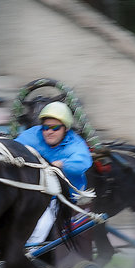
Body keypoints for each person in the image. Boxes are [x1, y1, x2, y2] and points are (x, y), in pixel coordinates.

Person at [15, 101, 93, 245]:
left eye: (55, 127)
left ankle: (30, 249)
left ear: (65, 128)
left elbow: (82, 164)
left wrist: (62, 164)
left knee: (41, 221)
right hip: (34, 192)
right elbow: (13, 148)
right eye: (45, 127)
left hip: (62, 197)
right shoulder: (32, 135)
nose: (49, 131)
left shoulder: (75, 144)